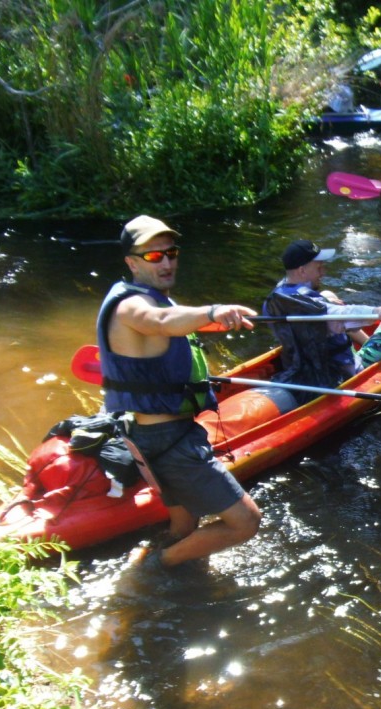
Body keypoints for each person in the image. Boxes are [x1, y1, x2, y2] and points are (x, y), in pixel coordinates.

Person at [97, 214, 262, 568]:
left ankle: (160, 559)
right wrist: (213, 310)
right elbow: (158, 323)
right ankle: (156, 567)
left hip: (149, 435)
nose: (168, 262)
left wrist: (215, 320)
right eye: (155, 256)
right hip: (168, 440)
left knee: (185, 525)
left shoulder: (152, 297)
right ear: (131, 262)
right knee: (247, 522)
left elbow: (171, 324)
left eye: (171, 253)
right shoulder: (132, 306)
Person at [262, 239, 381, 406]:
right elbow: (344, 315)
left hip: (299, 364)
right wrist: (378, 312)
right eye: (319, 268)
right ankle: (367, 356)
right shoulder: (316, 311)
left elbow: (327, 311)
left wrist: (327, 301)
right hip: (336, 372)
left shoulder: (275, 297)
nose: (323, 272)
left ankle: (366, 342)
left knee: (328, 294)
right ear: (302, 270)